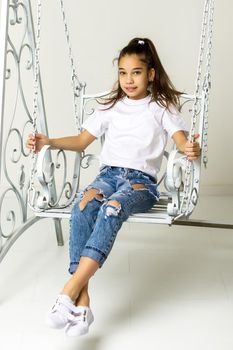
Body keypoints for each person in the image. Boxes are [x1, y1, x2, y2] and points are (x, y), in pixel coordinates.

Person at [27, 37, 200, 337]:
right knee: (83, 205)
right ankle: (81, 304)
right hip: (106, 177)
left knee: (111, 209)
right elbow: (82, 141)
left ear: (151, 74)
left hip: (140, 183)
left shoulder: (161, 107)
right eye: (122, 72)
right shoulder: (111, 107)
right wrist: (49, 141)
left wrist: (190, 148)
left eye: (135, 72)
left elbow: (181, 140)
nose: (128, 80)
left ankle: (69, 290)